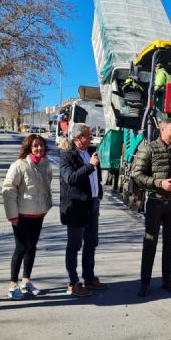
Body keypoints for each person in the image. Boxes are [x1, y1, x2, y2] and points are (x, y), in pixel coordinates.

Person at [132, 119, 171, 297]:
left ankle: (167, 280)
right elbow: (137, 175)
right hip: (155, 202)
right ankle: (145, 283)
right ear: (162, 130)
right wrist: (159, 183)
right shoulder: (148, 149)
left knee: (170, 243)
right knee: (150, 243)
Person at [59, 123, 109, 296]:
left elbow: (97, 177)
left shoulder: (90, 152)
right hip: (76, 207)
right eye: (88, 135)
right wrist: (90, 166)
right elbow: (70, 178)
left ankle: (89, 277)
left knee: (91, 242)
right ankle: (73, 283)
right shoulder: (67, 155)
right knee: (74, 245)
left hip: (92, 204)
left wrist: (99, 193)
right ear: (78, 138)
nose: (91, 138)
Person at [2, 135, 53, 300]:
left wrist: (46, 206)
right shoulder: (19, 165)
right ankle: (12, 284)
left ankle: (26, 281)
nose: (39, 149)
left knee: (32, 247)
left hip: (38, 214)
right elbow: (9, 189)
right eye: (36, 146)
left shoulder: (46, 165)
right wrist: (12, 215)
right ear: (29, 148)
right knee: (21, 248)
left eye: (42, 146)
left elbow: (47, 187)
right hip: (21, 215)